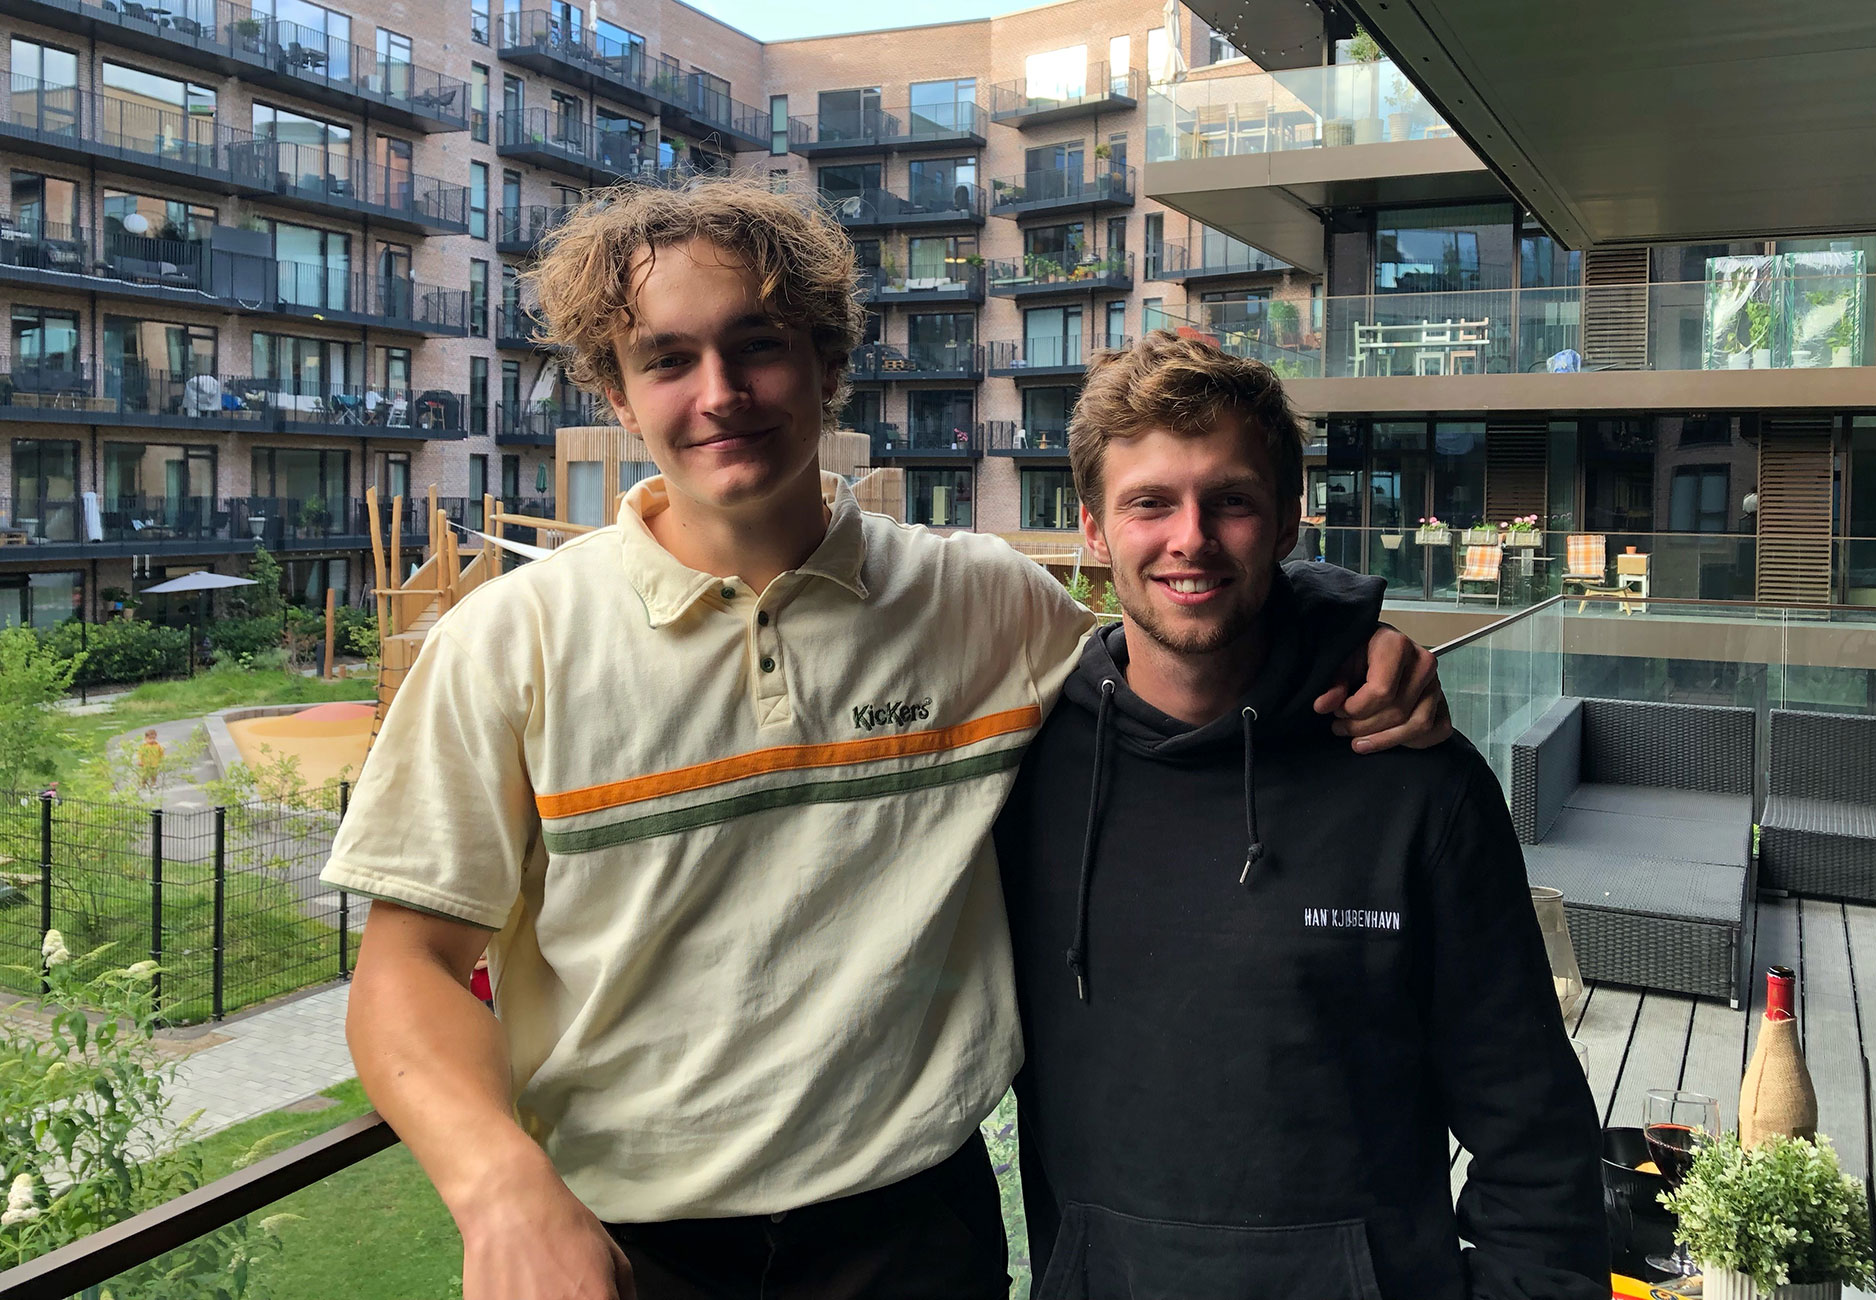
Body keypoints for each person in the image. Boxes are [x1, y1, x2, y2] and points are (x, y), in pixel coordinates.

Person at [322, 179, 1451, 1300]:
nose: (720, 393)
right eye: (666, 360)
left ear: (825, 361)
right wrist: (497, 1185)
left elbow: (1183, 628)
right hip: (623, 1245)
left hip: (913, 1235)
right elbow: (404, 972)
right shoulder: (506, 645)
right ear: (617, 396)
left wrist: (1339, 631)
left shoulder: (981, 606)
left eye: (756, 344)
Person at [996, 331, 1608, 1300]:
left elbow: (1535, 1143)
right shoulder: (1017, 770)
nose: (1189, 536)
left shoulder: (1415, 779)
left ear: (1286, 520)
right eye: (1149, 501)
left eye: (1229, 500)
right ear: (1093, 531)